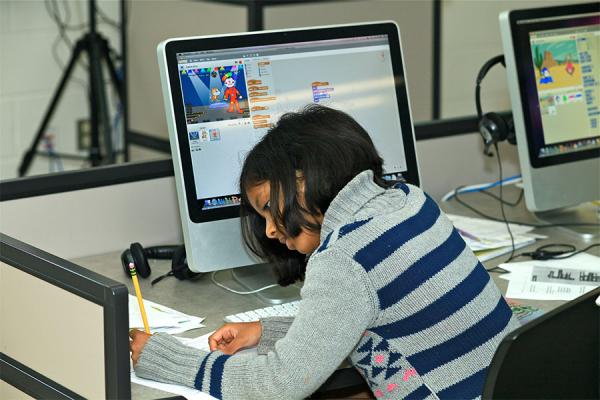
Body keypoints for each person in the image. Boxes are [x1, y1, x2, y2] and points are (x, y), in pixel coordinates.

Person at [130, 104, 520, 399]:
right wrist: (266, 332)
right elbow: (360, 323)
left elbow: (280, 386)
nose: (268, 229)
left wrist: (169, 359)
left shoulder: (345, 258)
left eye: (268, 207)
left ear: (304, 180)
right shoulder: (409, 202)